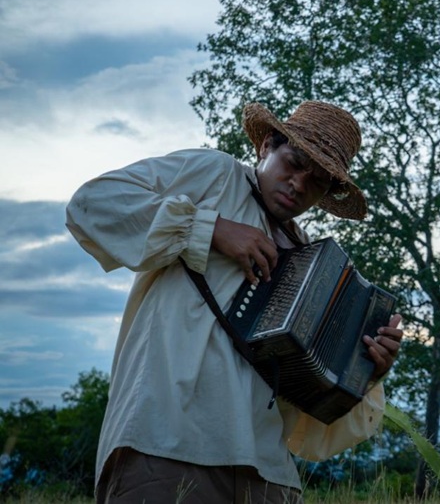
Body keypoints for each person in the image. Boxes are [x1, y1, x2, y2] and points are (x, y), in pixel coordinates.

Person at [66, 100, 404, 504]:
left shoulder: (309, 262)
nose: (298, 183)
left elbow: (308, 417)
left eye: (316, 181)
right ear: (265, 147)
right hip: (166, 442)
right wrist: (211, 229)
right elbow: (93, 202)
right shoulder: (216, 175)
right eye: (293, 162)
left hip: (266, 472)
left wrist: (365, 369)